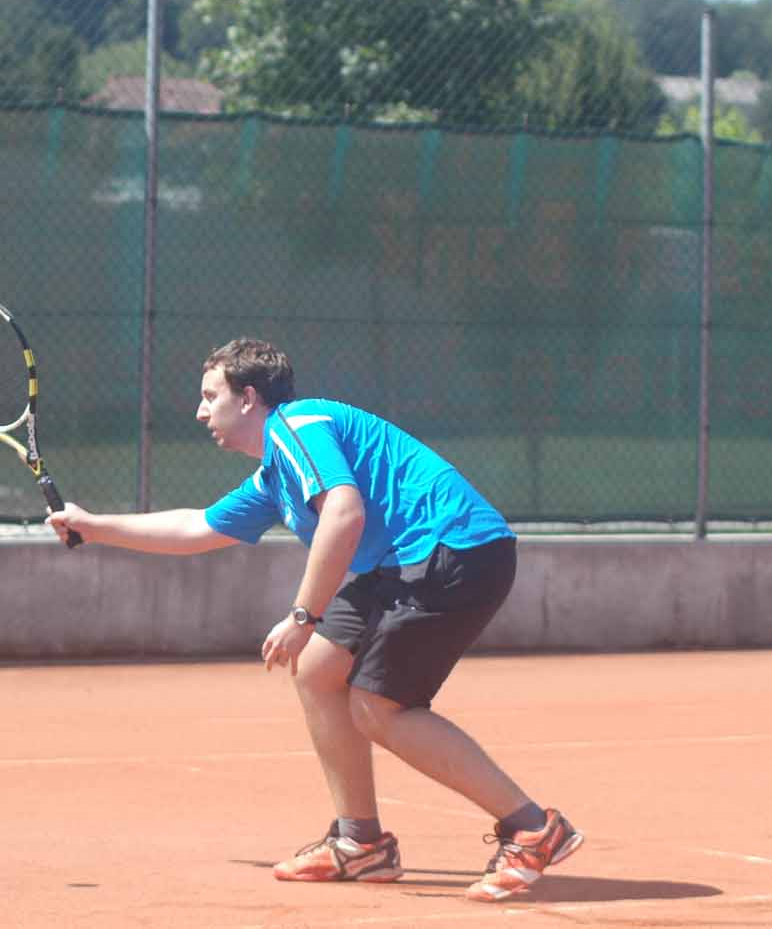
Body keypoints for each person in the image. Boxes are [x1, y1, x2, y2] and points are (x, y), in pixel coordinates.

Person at [45, 338, 582, 902]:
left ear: (248, 398)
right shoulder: (275, 475)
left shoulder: (297, 425)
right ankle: (361, 844)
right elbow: (198, 527)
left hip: (453, 550)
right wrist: (95, 526)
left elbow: (344, 513)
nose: (200, 412)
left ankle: (532, 827)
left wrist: (302, 616)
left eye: (210, 396)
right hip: (403, 562)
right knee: (319, 670)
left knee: (378, 709)